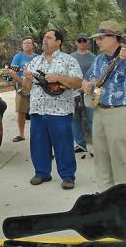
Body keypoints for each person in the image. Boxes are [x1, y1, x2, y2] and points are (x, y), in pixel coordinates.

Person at [10, 30, 82, 189]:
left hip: (60, 111)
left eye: (48, 38)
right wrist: (27, 79)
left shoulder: (68, 60)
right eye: (43, 38)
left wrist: (59, 78)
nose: (44, 40)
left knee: (63, 145)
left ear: (58, 42)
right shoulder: (34, 62)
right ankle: (42, 173)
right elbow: (27, 89)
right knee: (38, 144)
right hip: (37, 111)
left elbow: (78, 82)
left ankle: (68, 176)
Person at [83, 21, 126, 189]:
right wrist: (85, 85)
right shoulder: (98, 59)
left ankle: (125, 196)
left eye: (101, 38)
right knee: (101, 155)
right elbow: (88, 78)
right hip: (99, 111)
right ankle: (105, 194)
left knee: (121, 157)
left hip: (119, 112)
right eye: (97, 38)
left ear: (115, 38)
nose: (97, 41)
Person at [70, 33, 96, 153]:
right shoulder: (70, 57)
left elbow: (97, 74)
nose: (82, 43)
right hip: (74, 92)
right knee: (75, 119)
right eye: (79, 41)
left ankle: (98, 145)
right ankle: (80, 143)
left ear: (88, 42)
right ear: (76, 42)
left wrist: (87, 85)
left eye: (84, 40)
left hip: (90, 92)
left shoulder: (94, 58)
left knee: (92, 118)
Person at [10, 36, 37, 142]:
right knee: (21, 111)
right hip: (21, 88)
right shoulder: (18, 57)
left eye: (29, 43)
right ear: (22, 45)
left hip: (35, 87)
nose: (26, 45)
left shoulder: (37, 57)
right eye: (24, 43)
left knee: (36, 112)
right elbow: (12, 72)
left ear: (33, 45)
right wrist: (22, 82)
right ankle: (21, 135)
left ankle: (36, 134)